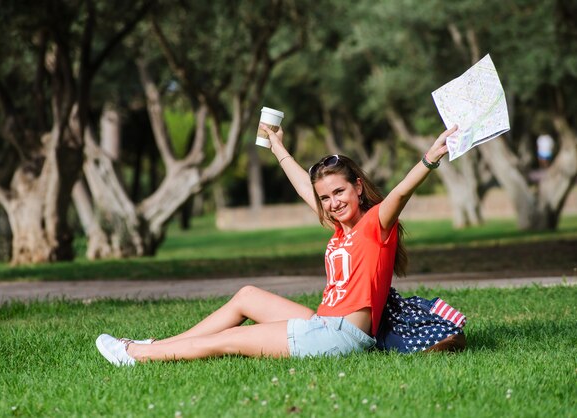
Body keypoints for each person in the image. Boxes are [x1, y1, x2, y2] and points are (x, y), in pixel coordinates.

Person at [95, 123, 463, 366]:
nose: (332, 202)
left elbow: (399, 193)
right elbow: (306, 188)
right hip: (323, 323)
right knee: (247, 296)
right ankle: (157, 343)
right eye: (326, 198)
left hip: (341, 337)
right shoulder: (340, 229)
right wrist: (277, 146)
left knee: (232, 339)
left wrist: (430, 158)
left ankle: (138, 355)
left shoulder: (375, 225)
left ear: (358, 187)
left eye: (339, 191)